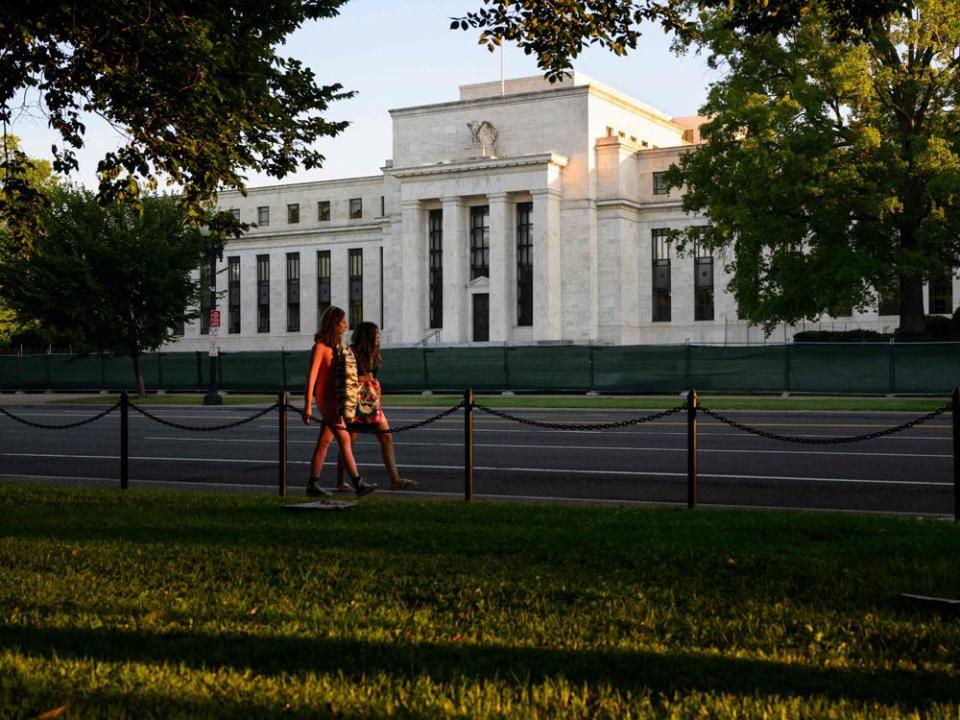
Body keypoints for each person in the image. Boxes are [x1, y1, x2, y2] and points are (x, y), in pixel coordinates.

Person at [303, 306, 377, 498]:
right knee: (344, 439)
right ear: (333, 324)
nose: (345, 325)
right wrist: (308, 405)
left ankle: (313, 483)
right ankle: (358, 482)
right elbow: (311, 377)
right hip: (326, 398)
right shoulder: (320, 347)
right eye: (342, 322)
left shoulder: (339, 346)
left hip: (336, 397)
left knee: (324, 442)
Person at [336, 321, 418, 492]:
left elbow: (371, 378)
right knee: (349, 440)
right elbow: (346, 377)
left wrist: (368, 380)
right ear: (366, 336)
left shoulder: (374, 354)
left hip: (371, 402)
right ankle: (341, 481)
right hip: (354, 402)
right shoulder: (350, 352)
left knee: (386, 437)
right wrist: (364, 379)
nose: (378, 337)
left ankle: (395, 479)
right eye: (375, 334)